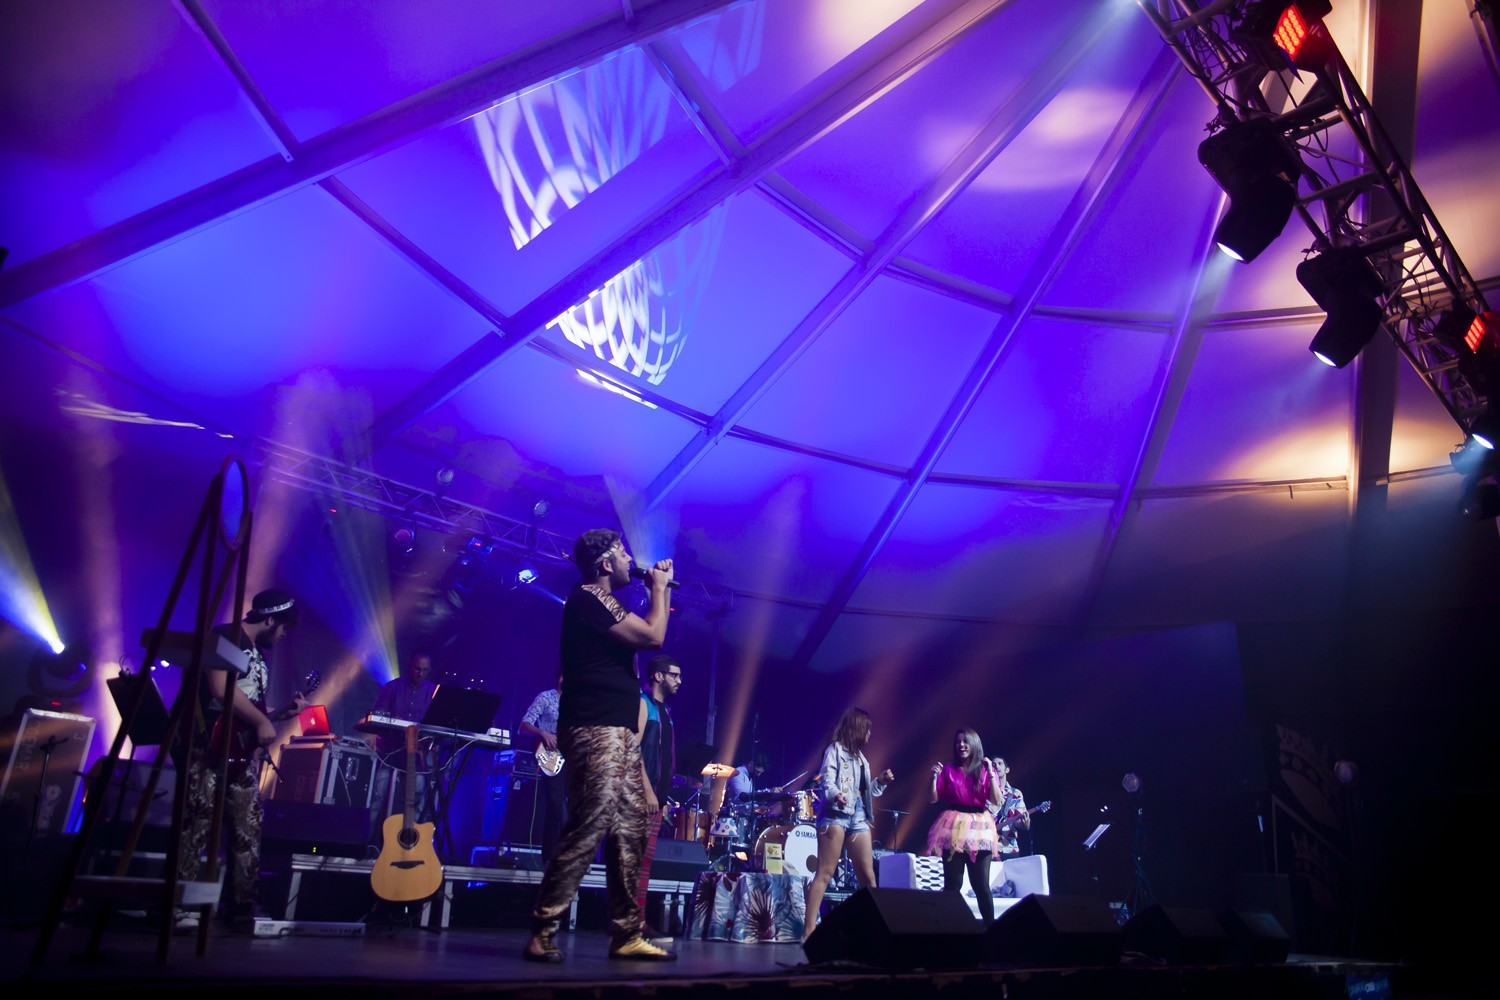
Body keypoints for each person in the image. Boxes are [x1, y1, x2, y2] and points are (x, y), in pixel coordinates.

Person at [521, 529, 676, 963]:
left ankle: (626, 933)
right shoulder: (589, 596)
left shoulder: (604, 603)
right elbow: (653, 637)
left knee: (630, 829)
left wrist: (658, 592)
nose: (630, 559)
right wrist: (659, 590)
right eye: (622, 553)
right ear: (605, 564)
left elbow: (647, 632)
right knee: (590, 824)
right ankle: (543, 928)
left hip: (618, 731)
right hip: (595, 729)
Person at [179, 588, 307, 928]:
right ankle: (178, 905)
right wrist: (262, 721)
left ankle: (241, 906)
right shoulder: (226, 637)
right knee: (197, 823)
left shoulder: (256, 653)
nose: (283, 636)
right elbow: (220, 689)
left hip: (237, 753)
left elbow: (245, 707)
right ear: (270, 620)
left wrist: (275, 714)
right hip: (209, 746)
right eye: (283, 628)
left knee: (248, 827)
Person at [802, 707, 893, 942]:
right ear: (857, 729)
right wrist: (836, 796)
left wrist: (880, 782)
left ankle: (874, 930)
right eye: (867, 730)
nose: (870, 734)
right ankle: (809, 931)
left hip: (859, 815)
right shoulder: (834, 750)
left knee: (868, 877)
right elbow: (827, 781)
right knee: (825, 872)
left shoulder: (862, 759)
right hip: (835, 814)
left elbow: (866, 793)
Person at [926, 728, 1003, 924]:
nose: (961, 745)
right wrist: (933, 778)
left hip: (979, 826)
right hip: (954, 825)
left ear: (974, 744)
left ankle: (991, 929)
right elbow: (933, 798)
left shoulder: (985, 769)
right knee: (952, 884)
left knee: (981, 886)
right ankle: (948, 928)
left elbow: (997, 800)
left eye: (965, 741)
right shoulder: (948, 769)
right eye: (958, 742)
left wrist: (991, 773)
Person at [366, 651, 438, 850]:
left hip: (415, 755)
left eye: (424, 670)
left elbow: (435, 725)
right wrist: (390, 721)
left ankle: (409, 848)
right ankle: (363, 846)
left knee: (417, 799)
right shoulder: (392, 687)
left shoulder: (433, 692)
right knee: (376, 798)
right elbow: (377, 715)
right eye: (417, 669)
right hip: (390, 751)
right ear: (410, 666)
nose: (420, 673)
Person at [634, 653, 682, 944]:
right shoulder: (644, 704)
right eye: (675, 675)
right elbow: (632, 749)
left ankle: (638, 923)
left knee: (644, 864)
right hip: (640, 796)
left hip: (656, 800)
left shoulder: (665, 713)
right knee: (633, 862)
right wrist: (648, 791)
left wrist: (662, 799)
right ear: (658, 676)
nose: (680, 681)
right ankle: (629, 924)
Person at [518, 675, 566, 866]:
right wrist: (543, 733)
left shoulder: (578, 702)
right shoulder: (546, 697)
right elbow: (525, 724)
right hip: (550, 754)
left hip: (571, 754)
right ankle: (550, 857)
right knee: (556, 806)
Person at [988, 756, 1032, 857]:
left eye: (1000, 763)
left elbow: (1018, 821)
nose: (996, 766)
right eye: (993, 764)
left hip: (1010, 848)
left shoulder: (1016, 793)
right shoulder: (986, 792)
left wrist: (1025, 824)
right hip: (989, 847)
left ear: (1007, 770)